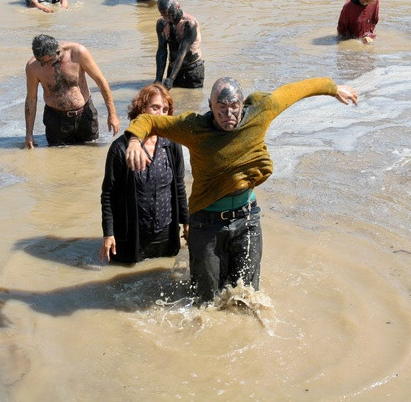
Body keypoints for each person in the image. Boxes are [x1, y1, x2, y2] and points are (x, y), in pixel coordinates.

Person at [125, 77, 359, 302]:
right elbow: (150, 121)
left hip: (247, 220)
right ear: (210, 105)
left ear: (242, 103)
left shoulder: (261, 111)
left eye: (234, 106)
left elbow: (297, 90)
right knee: (206, 300)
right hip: (206, 225)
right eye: (221, 108)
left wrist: (333, 88)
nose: (229, 114)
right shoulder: (194, 127)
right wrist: (135, 140)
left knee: (246, 297)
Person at [100, 84, 189, 263]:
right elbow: (108, 194)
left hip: (165, 233)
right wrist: (108, 233)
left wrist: (186, 221)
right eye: (155, 108)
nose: (160, 114)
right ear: (142, 109)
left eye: (165, 110)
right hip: (131, 236)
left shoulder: (171, 145)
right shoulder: (121, 148)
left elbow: (179, 186)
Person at [25, 34, 120, 148]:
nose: (43, 65)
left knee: (91, 153)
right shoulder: (33, 67)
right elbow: (31, 99)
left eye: (48, 61)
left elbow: (100, 81)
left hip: (85, 115)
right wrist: (29, 134)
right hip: (55, 120)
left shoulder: (78, 53)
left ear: (57, 52)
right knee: (56, 156)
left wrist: (112, 114)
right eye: (41, 61)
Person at [155, 0, 204, 89]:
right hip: (173, 68)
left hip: (192, 71)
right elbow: (161, 51)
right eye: (164, 15)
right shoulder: (162, 23)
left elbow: (182, 53)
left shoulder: (189, 24)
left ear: (178, 6)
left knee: (192, 97)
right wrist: (158, 79)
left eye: (171, 15)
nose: (168, 19)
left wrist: (171, 79)